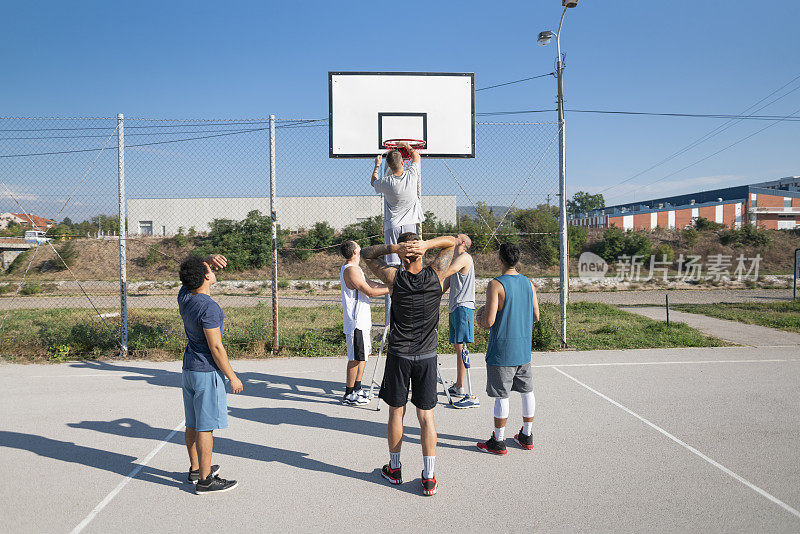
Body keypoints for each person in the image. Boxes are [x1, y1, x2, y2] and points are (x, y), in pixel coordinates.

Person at [361, 233, 459, 496]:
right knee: (426, 416)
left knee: (396, 412)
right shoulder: (437, 274)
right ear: (421, 252)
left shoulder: (394, 278)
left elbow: (366, 254)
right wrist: (427, 245)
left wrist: (395, 247)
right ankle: (429, 477)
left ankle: (395, 469)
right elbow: (452, 241)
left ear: (403, 255)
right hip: (426, 356)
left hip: (400, 355)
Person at [178, 254, 243, 494]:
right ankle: (205, 480)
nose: (214, 270)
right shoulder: (209, 308)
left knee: (192, 423)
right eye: (210, 268)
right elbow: (216, 347)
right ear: (207, 276)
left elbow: (187, 277)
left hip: (189, 370)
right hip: (206, 372)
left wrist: (204, 260)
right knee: (206, 427)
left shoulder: (185, 297)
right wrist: (232, 376)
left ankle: (196, 469)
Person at [475, 243, 540, 455]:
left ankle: (498, 441)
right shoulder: (528, 283)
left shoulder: (496, 284)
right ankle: (527, 435)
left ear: (499, 259)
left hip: (502, 350)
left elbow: (489, 321)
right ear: (517, 259)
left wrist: (480, 316)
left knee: (502, 396)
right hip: (523, 349)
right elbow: (536, 316)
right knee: (527, 392)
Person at [339, 240, 389, 406]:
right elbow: (369, 291)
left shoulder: (357, 269)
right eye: (358, 247)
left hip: (363, 320)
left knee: (364, 356)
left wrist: (389, 284)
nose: (361, 248)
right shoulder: (350, 270)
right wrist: (392, 288)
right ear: (354, 252)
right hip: (355, 322)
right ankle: (349, 393)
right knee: (355, 358)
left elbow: (371, 284)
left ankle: (358, 388)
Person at [370, 142, 422, 266]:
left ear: (388, 165)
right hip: (409, 224)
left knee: (393, 263)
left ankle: (394, 284)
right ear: (403, 163)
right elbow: (416, 157)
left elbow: (373, 182)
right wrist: (405, 145)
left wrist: (377, 166)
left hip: (392, 225)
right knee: (410, 258)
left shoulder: (386, 182)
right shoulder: (412, 175)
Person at [442, 234, 478, 408]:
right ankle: (459, 386)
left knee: (463, 348)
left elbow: (446, 272)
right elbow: (445, 284)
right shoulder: (456, 259)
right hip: (455, 308)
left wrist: (429, 272)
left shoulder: (464, 258)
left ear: (462, 243)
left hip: (464, 307)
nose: (453, 239)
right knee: (458, 349)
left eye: (457, 238)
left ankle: (469, 393)